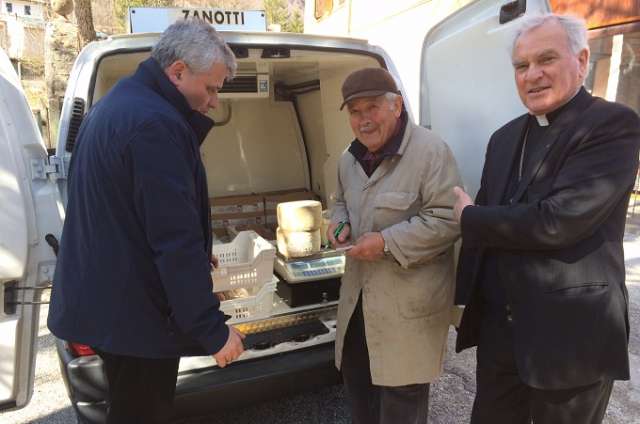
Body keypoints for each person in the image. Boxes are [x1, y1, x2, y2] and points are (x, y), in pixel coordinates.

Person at [48, 20, 245, 424]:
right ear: (178, 72)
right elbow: (173, 240)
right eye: (210, 89)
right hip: (135, 316)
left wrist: (197, 259)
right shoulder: (155, 125)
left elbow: (128, 216)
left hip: (111, 306)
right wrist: (212, 329)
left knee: (128, 409)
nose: (213, 102)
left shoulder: (120, 104)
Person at [453, 14, 640, 424]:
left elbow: (558, 221)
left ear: (582, 60)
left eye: (546, 59)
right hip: (501, 338)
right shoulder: (503, 138)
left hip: (571, 339)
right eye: (521, 65)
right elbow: (491, 224)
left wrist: (471, 217)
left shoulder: (612, 125)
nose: (532, 75)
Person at [328, 67, 462, 424]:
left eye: (372, 107)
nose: (364, 120)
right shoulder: (348, 159)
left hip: (408, 312)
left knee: (402, 405)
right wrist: (339, 223)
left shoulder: (431, 151)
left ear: (397, 106)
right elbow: (338, 203)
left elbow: (448, 219)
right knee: (362, 399)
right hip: (358, 307)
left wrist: (386, 242)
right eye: (355, 111)